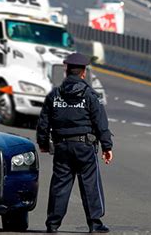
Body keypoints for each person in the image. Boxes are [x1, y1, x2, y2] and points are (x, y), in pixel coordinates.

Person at [36, 53, 113, 233]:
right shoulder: (90, 95)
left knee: (60, 185)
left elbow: (43, 122)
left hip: (62, 147)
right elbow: (101, 123)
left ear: (66, 71)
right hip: (85, 147)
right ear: (83, 73)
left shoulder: (54, 95)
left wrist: (43, 142)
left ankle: (53, 224)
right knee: (90, 185)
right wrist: (107, 146)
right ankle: (95, 224)